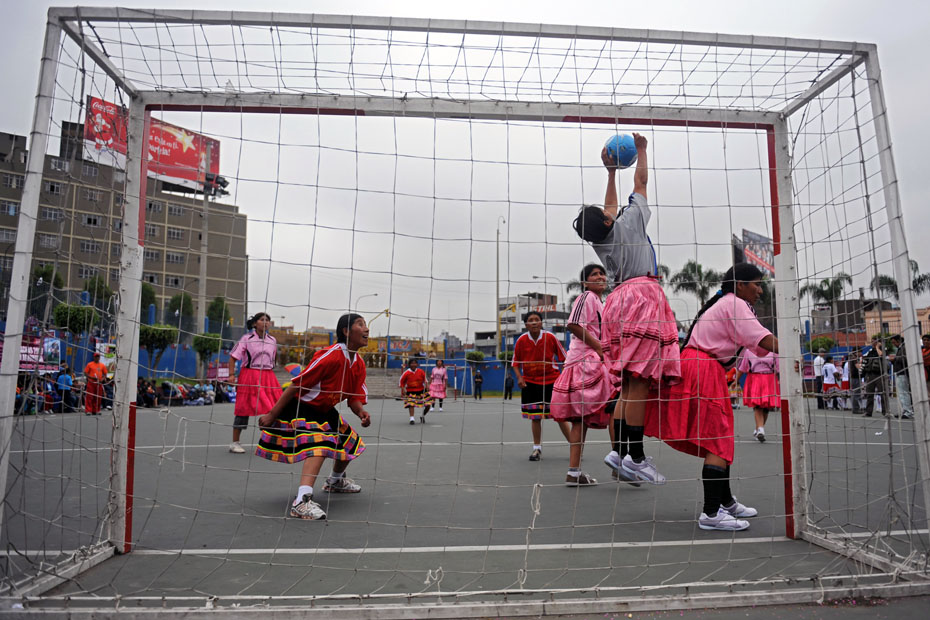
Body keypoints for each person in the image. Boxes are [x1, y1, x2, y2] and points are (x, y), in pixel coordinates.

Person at [572, 132, 679, 485]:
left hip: (618, 303)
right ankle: (636, 456)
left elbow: (607, 212)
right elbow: (642, 182)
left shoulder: (601, 242)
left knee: (630, 381)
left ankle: (619, 452)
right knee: (642, 380)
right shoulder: (631, 222)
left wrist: (610, 173)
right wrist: (643, 151)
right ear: (607, 221)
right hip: (641, 296)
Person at [645, 263, 776, 531]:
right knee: (718, 439)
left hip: (701, 366)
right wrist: (793, 348)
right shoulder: (735, 303)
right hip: (703, 368)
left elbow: (754, 342)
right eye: (757, 284)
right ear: (740, 285)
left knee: (719, 438)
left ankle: (725, 502)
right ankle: (711, 513)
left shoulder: (727, 303)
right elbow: (762, 340)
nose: (760, 291)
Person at [256, 313, 371, 521]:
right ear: (346, 331)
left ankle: (335, 481)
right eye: (360, 324)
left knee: (350, 443)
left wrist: (361, 411)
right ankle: (302, 501)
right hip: (303, 406)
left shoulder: (359, 364)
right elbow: (296, 385)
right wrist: (272, 414)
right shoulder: (331, 356)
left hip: (325, 409)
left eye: (366, 324)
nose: (366, 329)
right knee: (320, 445)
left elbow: (354, 397)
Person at [551, 263, 613, 486]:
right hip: (584, 362)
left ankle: (574, 472)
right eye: (594, 274)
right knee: (614, 405)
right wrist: (599, 348)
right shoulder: (586, 297)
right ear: (585, 282)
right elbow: (573, 324)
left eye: (602, 273)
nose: (600, 276)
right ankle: (620, 461)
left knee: (582, 419)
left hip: (592, 361)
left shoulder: (602, 303)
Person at [512, 310, 570, 461]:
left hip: (551, 381)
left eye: (536, 319)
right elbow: (515, 362)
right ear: (526, 325)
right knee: (535, 417)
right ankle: (536, 449)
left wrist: (564, 377)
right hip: (530, 383)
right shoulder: (521, 340)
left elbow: (564, 358)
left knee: (560, 416)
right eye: (530, 320)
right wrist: (519, 378)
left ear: (541, 322)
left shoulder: (550, 337)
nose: (534, 322)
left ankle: (575, 446)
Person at [228, 312, 282, 454]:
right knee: (243, 408)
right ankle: (235, 442)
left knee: (274, 407)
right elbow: (233, 357)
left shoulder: (272, 340)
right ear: (254, 323)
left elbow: (274, 358)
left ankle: (270, 441)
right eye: (262, 320)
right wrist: (231, 375)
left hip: (268, 376)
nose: (265, 322)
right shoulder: (247, 339)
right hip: (250, 375)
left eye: (268, 320)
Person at [734, 350, 779, 443]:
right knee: (757, 406)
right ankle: (761, 429)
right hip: (755, 378)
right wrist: (735, 381)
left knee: (766, 408)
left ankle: (758, 429)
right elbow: (742, 368)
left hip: (769, 379)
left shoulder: (774, 351)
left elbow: (779, 368)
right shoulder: (748, 351)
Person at [889, 335, 914, 420]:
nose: (893, 344)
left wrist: (895, 358)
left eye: (894, 342)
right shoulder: (900, 348)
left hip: (903, 372)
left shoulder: (904, 348)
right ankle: (905, 410)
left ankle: (908, 411)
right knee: (901, 393)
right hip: (900, 372)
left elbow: (906, 359)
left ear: (898, 341)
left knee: (904, 392)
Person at [400, 358, 432, 424]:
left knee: (428, 404)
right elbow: (401, 382)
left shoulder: (421, 371)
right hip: (411, 391)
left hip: (421, 390)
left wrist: (427, 386)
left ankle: (422, 416)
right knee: (411, 404)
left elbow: (425, 380)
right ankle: (412, 419)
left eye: (415, 363)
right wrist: (403, 389)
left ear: (417, 364)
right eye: (412, 363)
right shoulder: (406, 373)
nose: (413, 365)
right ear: (409, 364)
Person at [861, 337, 887, 417]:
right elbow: (865, 361)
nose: (873, 343)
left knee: (883, 393)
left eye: (874, 342)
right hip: (871, 374)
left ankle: (885, 411)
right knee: (869, 394)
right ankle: (868, 412)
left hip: (880, 374)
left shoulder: (883, 349)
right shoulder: (870, 351)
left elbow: (881, 356)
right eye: (872, 342)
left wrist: (877, 347)